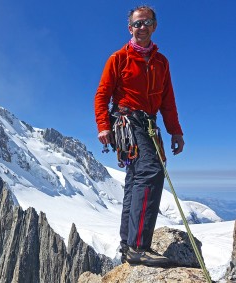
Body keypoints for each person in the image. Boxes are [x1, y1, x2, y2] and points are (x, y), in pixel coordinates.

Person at [94, 5, 184, 267]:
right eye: (136, 24)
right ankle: (138, 246)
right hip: (126, 121)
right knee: (150, 172)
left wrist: (175, 131)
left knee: (136, 179)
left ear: (154, 26)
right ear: (129, 28)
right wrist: (103, 125)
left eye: (146, 23)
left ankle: (128, 244)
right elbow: (102, 94)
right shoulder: (118, 58)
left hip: (148, 123)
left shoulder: (161, 62)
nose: (141, 28)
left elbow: (168, 100)